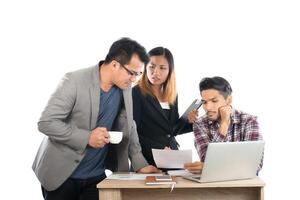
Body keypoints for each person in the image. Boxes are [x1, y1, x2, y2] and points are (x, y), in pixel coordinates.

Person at [32, 37, 159, 200]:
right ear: (115, 64)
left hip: (96, 177)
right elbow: (46, 123)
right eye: (132, 73)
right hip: (61, 176)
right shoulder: (74, 81)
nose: (134, 79)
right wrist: (87, 137)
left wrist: (140, 164)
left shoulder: (125, 87)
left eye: (138, 74)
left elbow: (129, 123)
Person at [132, 47, 198, 167]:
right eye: (151, 66)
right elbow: (133, 132)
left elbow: (172, 130)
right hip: (147, 157)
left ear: (169, 71)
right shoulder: (136, 93)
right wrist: (158, 149)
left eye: (162, 68)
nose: (155, 72)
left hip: (171, 155)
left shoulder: (172, 94)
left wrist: (189, 121)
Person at [184, 76, 263, 173]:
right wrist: (224, 125)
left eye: (214, 101)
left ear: (228, 100)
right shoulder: (200, 124)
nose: (208, 107)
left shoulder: (249, 121)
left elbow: (254, 165)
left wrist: (212, 167)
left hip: (245, 184)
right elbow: (207, 160)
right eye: (204, 102)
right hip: (214, 184)